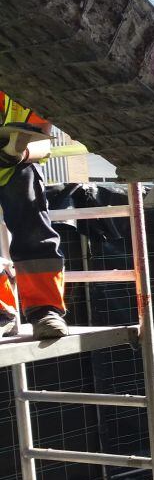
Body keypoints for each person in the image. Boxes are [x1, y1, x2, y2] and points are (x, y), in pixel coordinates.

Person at [0, 89, 67, 339]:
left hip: (17, 166)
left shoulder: (32, 79)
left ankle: (45, 311)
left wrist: (17, 154)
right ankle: (3, 311)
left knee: (34, 233)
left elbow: (42, 139)